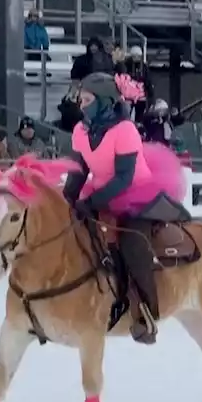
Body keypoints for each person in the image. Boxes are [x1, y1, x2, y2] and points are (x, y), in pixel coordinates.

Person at [61, 73, 189, 345]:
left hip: (134, 195)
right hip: (99, 191)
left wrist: (91, 203)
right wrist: (67, 200)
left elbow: (124, 178)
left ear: (104, 101)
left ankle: (146, 312)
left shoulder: (125, 130)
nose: (81, 105)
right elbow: (79, 170)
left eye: (86, 100)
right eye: (80, 99)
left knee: (132, 242)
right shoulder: (81, 132)